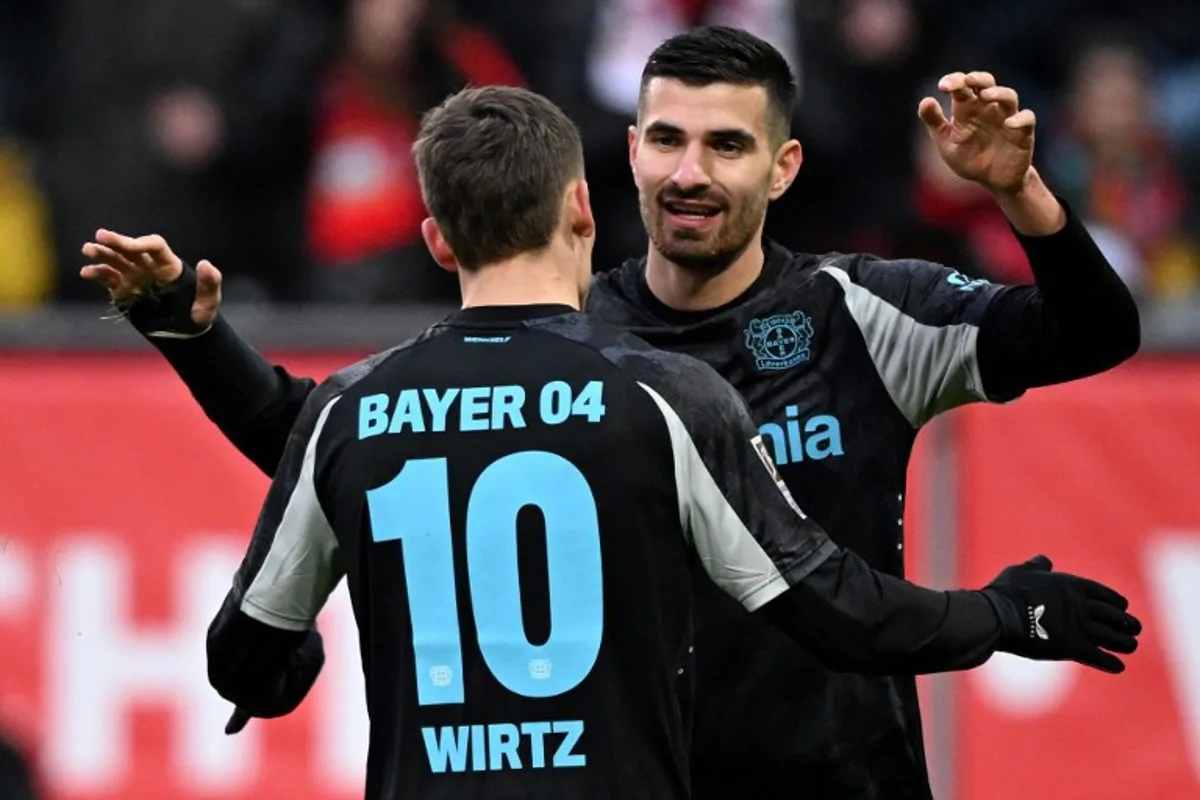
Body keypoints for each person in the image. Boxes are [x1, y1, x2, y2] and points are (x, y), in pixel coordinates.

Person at [80, 28, 1142, 800]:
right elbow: (336, 441)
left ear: (784, 166)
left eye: (726, 146)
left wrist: (1023, 196)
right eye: (667, 140)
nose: (689, 172)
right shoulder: (574, 337)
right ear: (622, 157)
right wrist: (194, 335)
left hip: (832, 779)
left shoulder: (865, 313)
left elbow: (1093, 333)